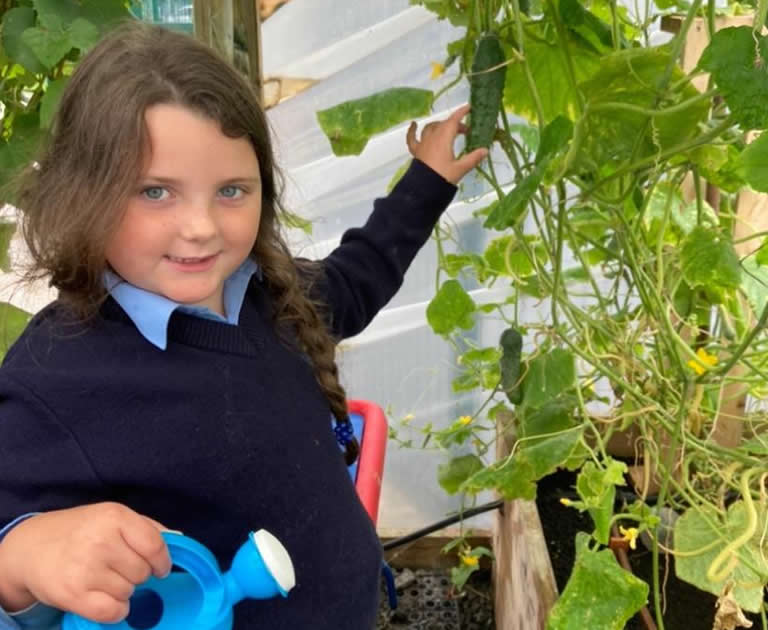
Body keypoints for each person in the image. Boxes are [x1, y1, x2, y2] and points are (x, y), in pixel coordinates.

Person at [0, 20, 486, 630]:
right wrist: (19, 560)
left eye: (232, 190)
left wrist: (430, 180)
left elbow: (361, 274)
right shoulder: (55, 377)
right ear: (82, 193)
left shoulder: (269, 294)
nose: (202, 226)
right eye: (155, 193)